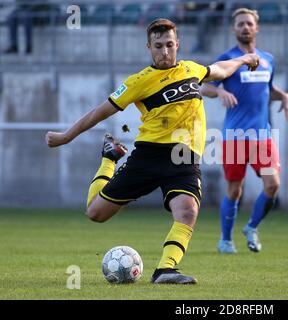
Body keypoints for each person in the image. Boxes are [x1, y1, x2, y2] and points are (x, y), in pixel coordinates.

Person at [45, 18, 259, 284]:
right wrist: (67, 136)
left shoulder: (192, 69)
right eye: (158, 46)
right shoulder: (139, 82)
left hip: (184, 158)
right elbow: (99, 111)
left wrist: (243, 59)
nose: (165, 51)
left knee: (188, 211)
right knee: (95, 214)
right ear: (149, 47)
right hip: (149, 155)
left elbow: (220, 69)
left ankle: (165, 269)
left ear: (177, 44)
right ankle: (109, 160)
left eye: (170, 44)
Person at [200, 8, 288, 254]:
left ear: (257, 28)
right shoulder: (228, 59)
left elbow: (268, 88)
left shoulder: (268, 59)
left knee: (273, 185)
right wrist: (220, 91)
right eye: (240, 24)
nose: (245, 27)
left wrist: (284, 96)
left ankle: (252, 227)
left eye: (249, 23)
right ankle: (225, 240)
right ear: (234, 29)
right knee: (235, 190)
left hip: (262, 136)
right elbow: (203, 87)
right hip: (235, 136)